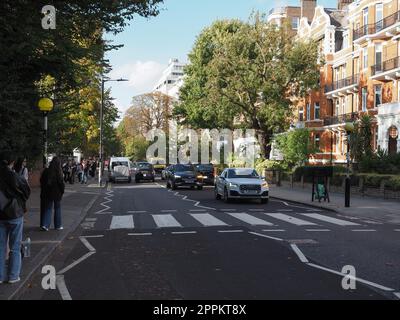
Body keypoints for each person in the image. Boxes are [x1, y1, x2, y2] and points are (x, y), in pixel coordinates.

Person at [0, 151, 31, 284]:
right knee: (15, 246)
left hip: (0, 214)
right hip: (15, 213)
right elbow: (26, 191)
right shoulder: (15, 176)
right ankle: (13, 276)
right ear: (12, 162)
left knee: (0, 246)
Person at [40, 157, 65, 231]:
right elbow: (61, 183)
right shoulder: (59, 172)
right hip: (57, 193)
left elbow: (41, 180)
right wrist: (62, 191)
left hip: (47, 192)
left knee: (48, 208)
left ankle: (45, 225)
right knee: (57, 208)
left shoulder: (46, 171)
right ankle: (58, 225)